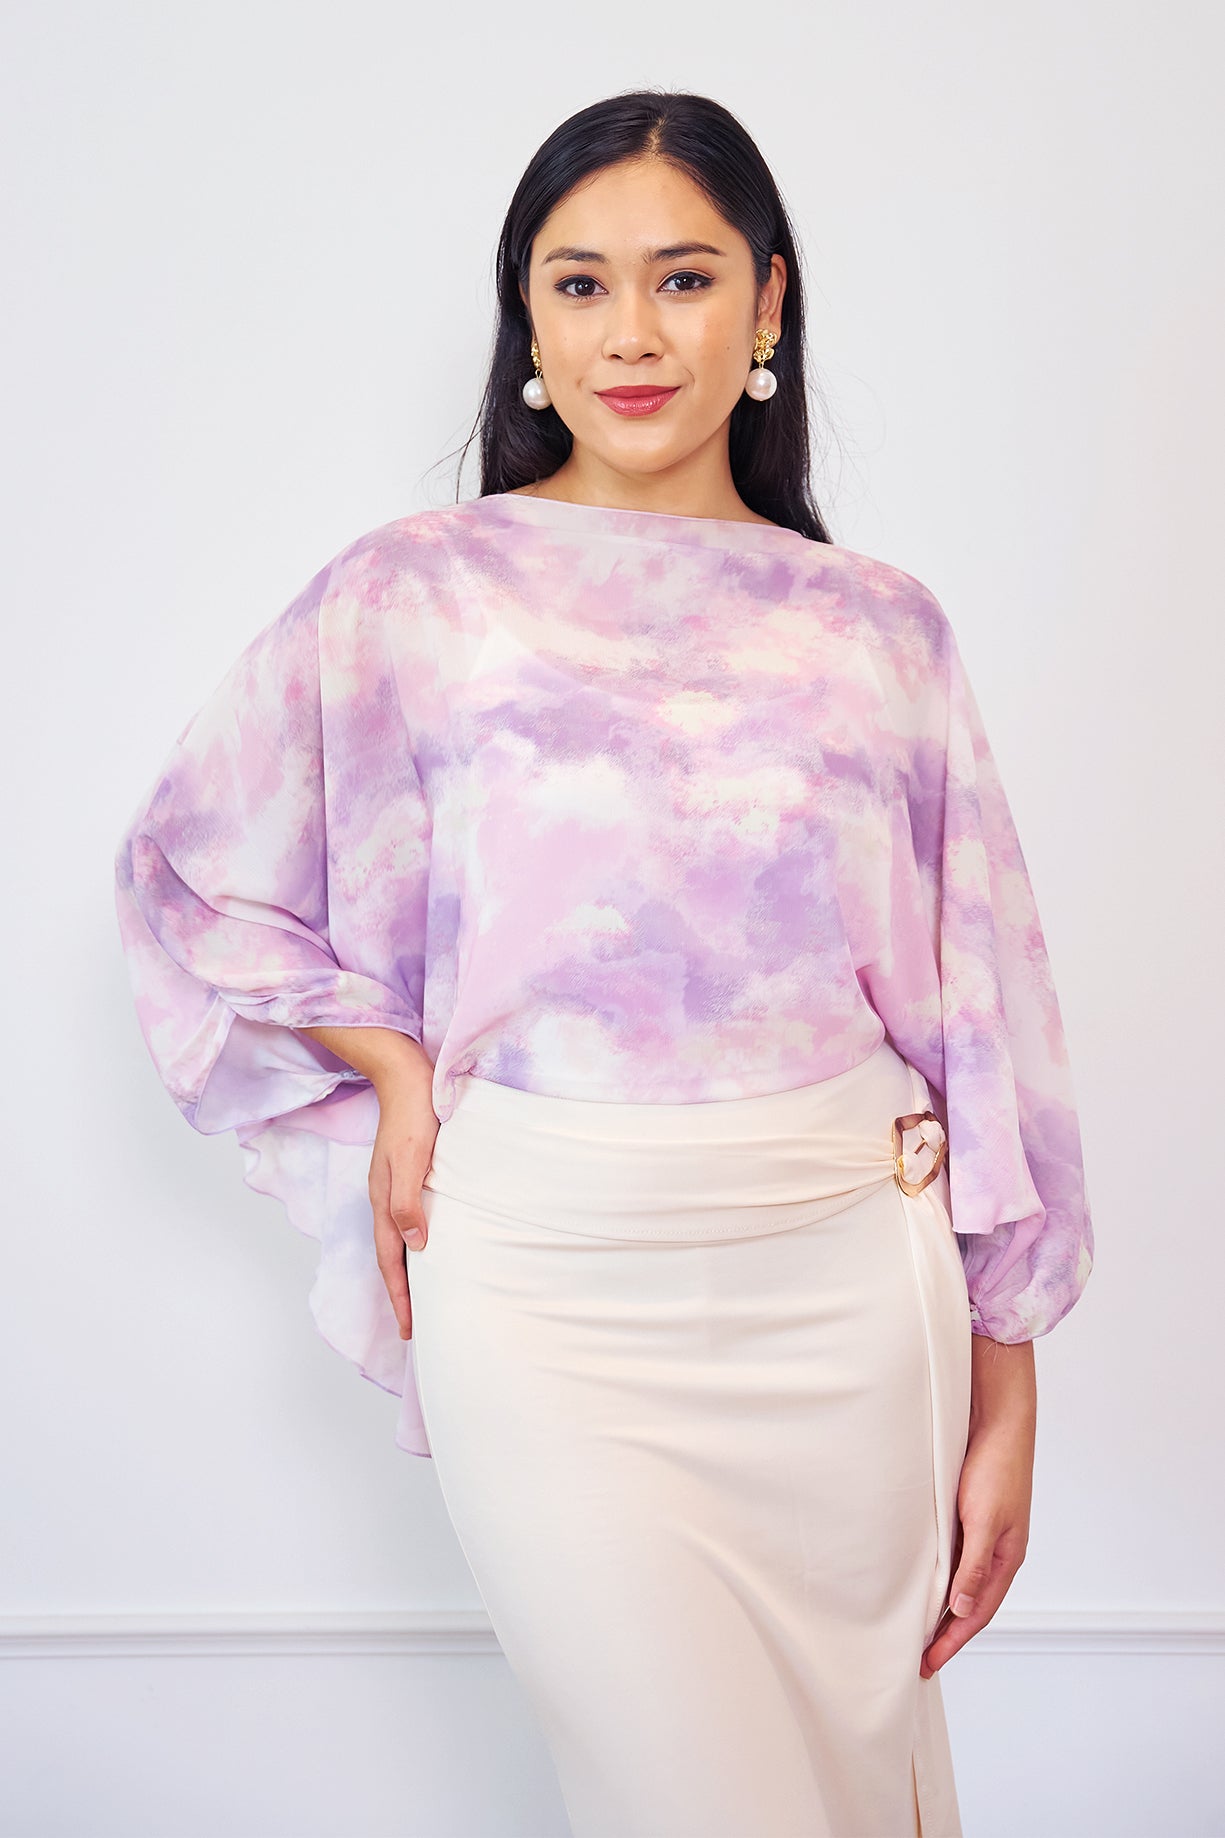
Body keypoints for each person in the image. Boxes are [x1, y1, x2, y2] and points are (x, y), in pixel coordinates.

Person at [113, 88, 1093, 1838]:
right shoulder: (416, 593)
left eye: (683, 278)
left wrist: (1007, 1386)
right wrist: (391, 1063)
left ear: (767, 304)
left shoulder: (879, 627)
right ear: (529, 320)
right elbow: (194, 869)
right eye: (579, 285)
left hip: (850, 1293)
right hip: (546, 1293)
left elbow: (983, 1021)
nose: (631, 333)